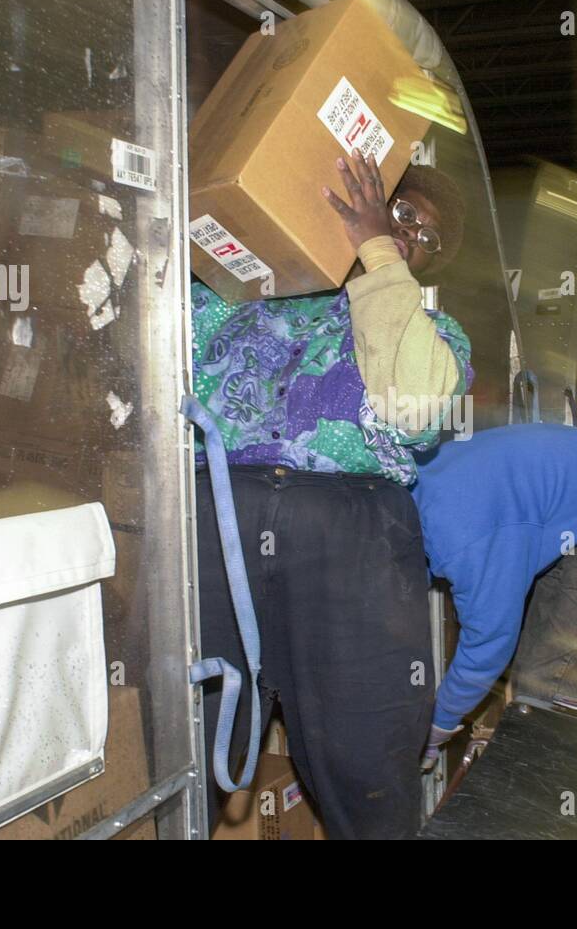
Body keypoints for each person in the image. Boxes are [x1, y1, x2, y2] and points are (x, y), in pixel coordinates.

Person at [192, 150, 472, 839]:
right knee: (193, 740)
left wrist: (378, 251)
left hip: (355, 534)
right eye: (400, 211)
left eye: (422, 239)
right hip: (218, 512)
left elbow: (416, 409)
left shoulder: (435, 336)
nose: (409, 234)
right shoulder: (249, 288)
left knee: (364, 759)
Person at [409, 423, 577, 766]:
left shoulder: (466, 541)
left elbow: (488, 644)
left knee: (550, 688)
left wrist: (439, 723)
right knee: (534, 669)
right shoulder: (405, 487)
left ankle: (552, 799)